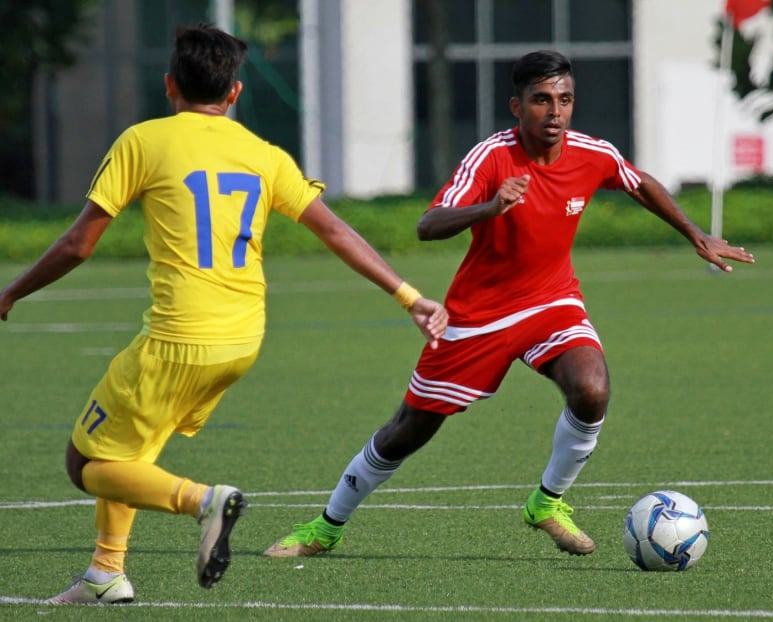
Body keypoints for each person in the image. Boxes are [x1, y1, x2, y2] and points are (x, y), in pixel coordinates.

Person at [0, 24, 447, 604]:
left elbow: (77, 244)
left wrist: (10, 292)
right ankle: (106, 573)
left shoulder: (143, 140)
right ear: (234, 93)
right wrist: (411, 297)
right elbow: (335, 230)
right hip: (242, 340)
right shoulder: (263, 154)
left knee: (85, 462)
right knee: (131, 447)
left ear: (169, 86)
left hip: (177, 339)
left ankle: (203, 501)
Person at [264, 50, 755, 559]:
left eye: (564, 99)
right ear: (516, 107)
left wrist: (696, 234)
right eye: (542, 100)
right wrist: (491, 207)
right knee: (407, 430)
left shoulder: (591, 152)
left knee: (591, 389)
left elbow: (639, 182)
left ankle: (547, 502)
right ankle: (325, 528)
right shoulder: (491, 158)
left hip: (552, 301)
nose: (556, 112)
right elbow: (428, 225)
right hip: (479, 316)